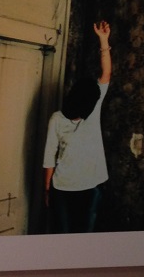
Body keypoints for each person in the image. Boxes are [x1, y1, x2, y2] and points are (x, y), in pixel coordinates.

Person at [43, 20, 112, 233]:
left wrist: (103, 40)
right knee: (63, 235)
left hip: (92, 187)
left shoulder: (93, 109)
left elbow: (106, 74)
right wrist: (47, 189)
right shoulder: (56, 119)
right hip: (62, 188)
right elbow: (49, 155)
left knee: (86, 236)